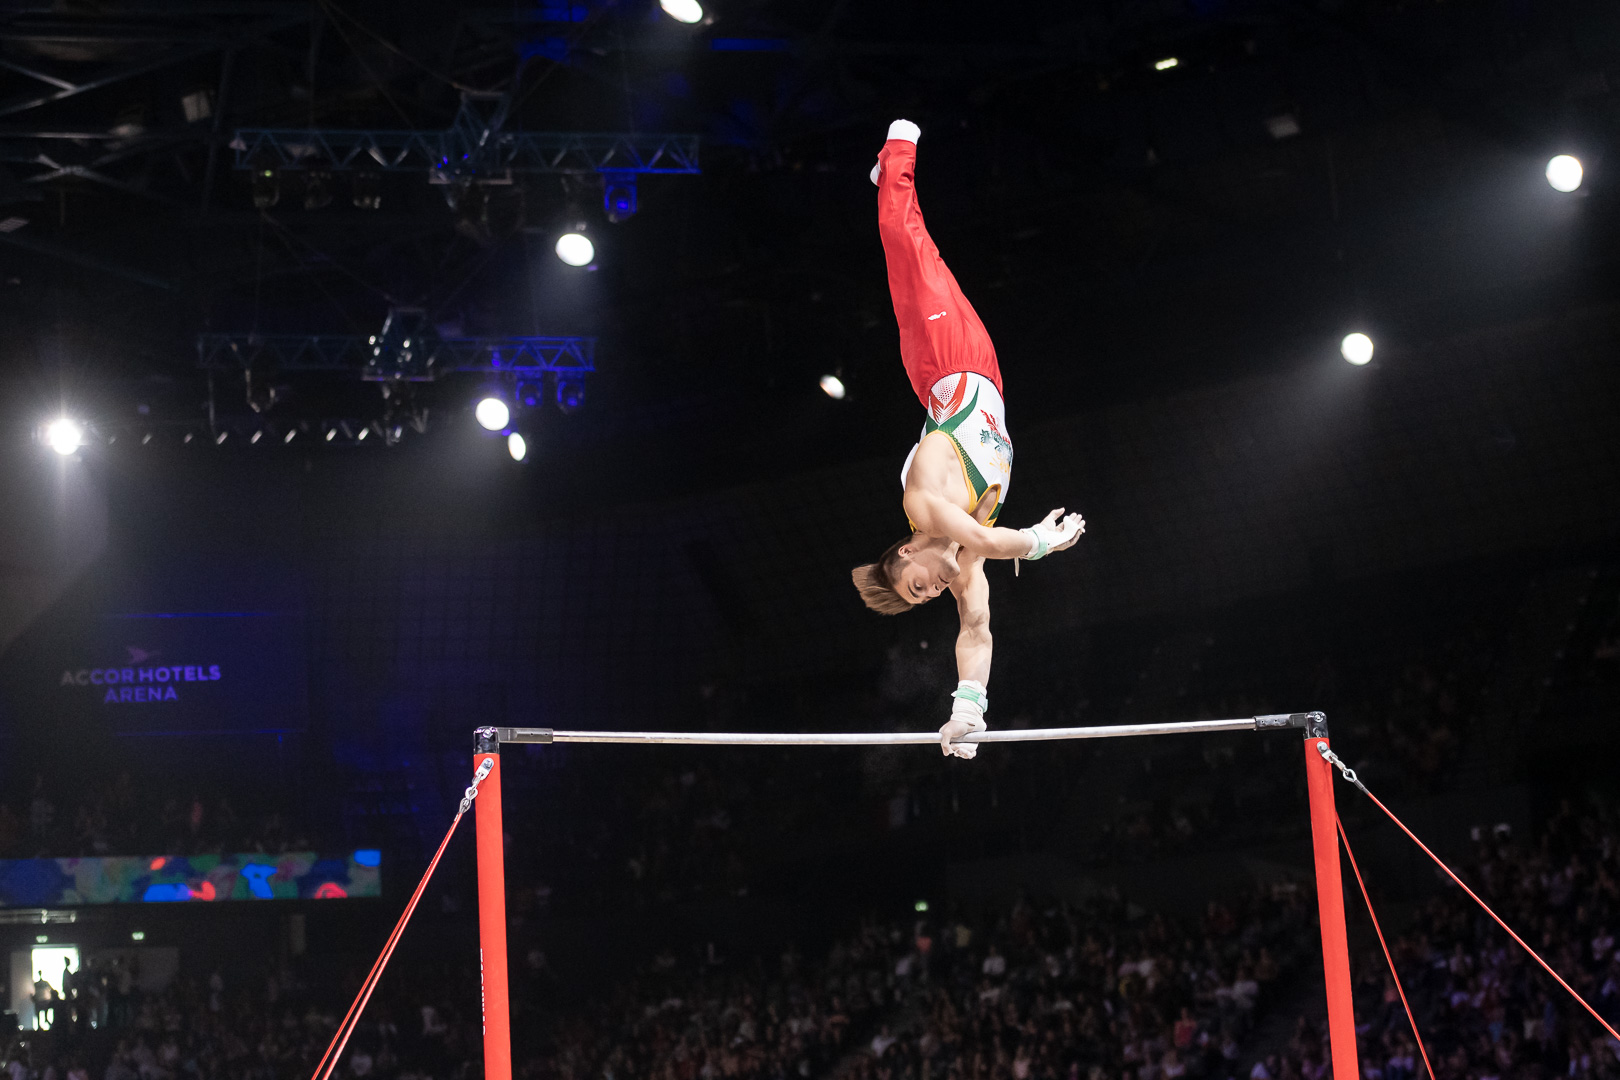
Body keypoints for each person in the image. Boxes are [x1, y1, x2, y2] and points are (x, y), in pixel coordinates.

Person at [852, 119, 1086, 759]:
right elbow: (977, 628)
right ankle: (885, 184)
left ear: (906, 550)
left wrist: (1039, 540)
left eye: (915, 582)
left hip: (951, 362)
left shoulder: (925, 509)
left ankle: (897, 155)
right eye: (923, 597)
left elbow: (986, 537)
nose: (929, 590)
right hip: (973, 374)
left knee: (913, 249)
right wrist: (967, 711)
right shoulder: (966, 558)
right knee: (906, 261)